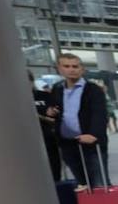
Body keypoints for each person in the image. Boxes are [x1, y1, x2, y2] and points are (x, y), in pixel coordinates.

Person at [46, 53, 108, 189]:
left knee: (99, 184)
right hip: (67, 143)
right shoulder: (57, 89)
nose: (71, 69)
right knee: (82, 184)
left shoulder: (93, 90)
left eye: (75, 66)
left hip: (91, 144)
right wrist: (50, 111)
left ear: (82, 69)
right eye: (67, 66)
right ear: (59, 69)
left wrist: (94, 134)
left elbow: (100, 114)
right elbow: (54, 108)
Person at [32, 74, 60, 181]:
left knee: (54, 169)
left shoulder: (44, 96)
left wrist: (41, 116)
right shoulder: (16, 99)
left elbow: (55, 116)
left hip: (49, 137)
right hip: (29, 140)